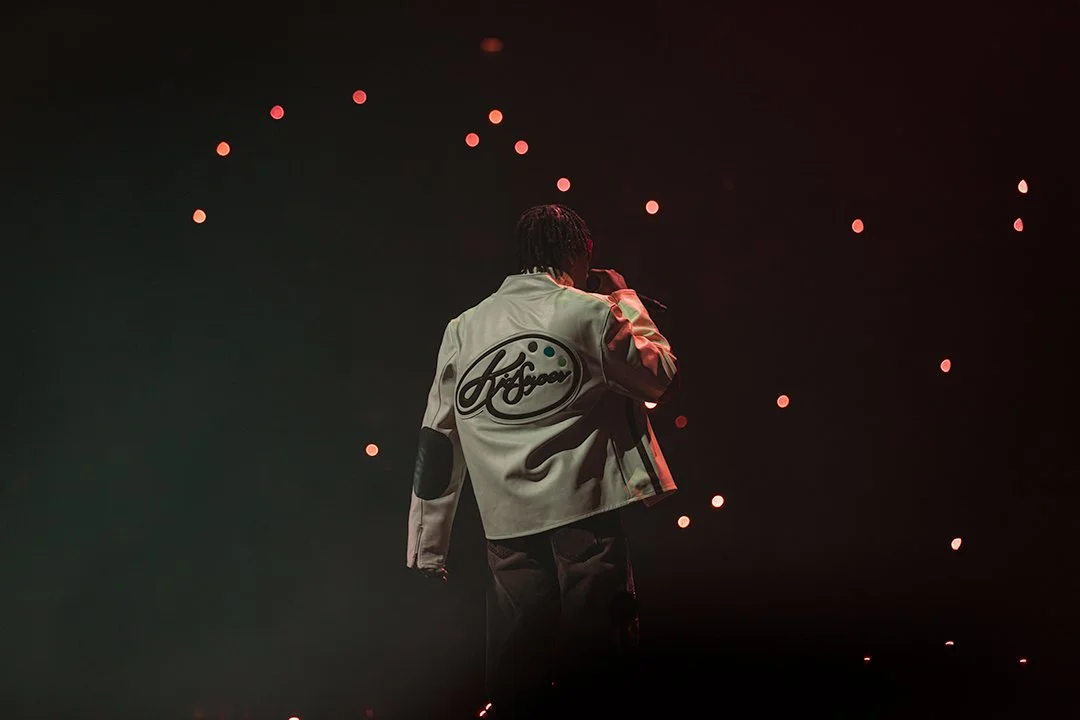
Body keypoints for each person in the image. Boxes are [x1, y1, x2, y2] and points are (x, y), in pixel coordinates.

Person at [405, 204, 680, 718]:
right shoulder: (591, 311)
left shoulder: (464, 328)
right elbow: (658, 373)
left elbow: (437, 440)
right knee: (601, 661)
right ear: (579, 252)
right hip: (587, 512)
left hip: (505, 523)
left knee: (517, 669)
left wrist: (427, 545)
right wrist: (623, 297)